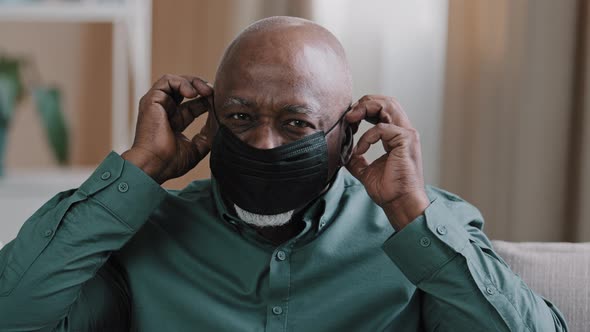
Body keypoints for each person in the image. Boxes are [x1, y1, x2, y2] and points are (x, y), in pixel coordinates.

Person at [0, 16, 567, 331]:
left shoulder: (421, 232)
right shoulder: (145, 234)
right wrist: (141, 168)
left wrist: (411, 215)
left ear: (349, 129)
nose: (263, 142)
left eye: (297, 123)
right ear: (211, 118)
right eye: (241, 117)